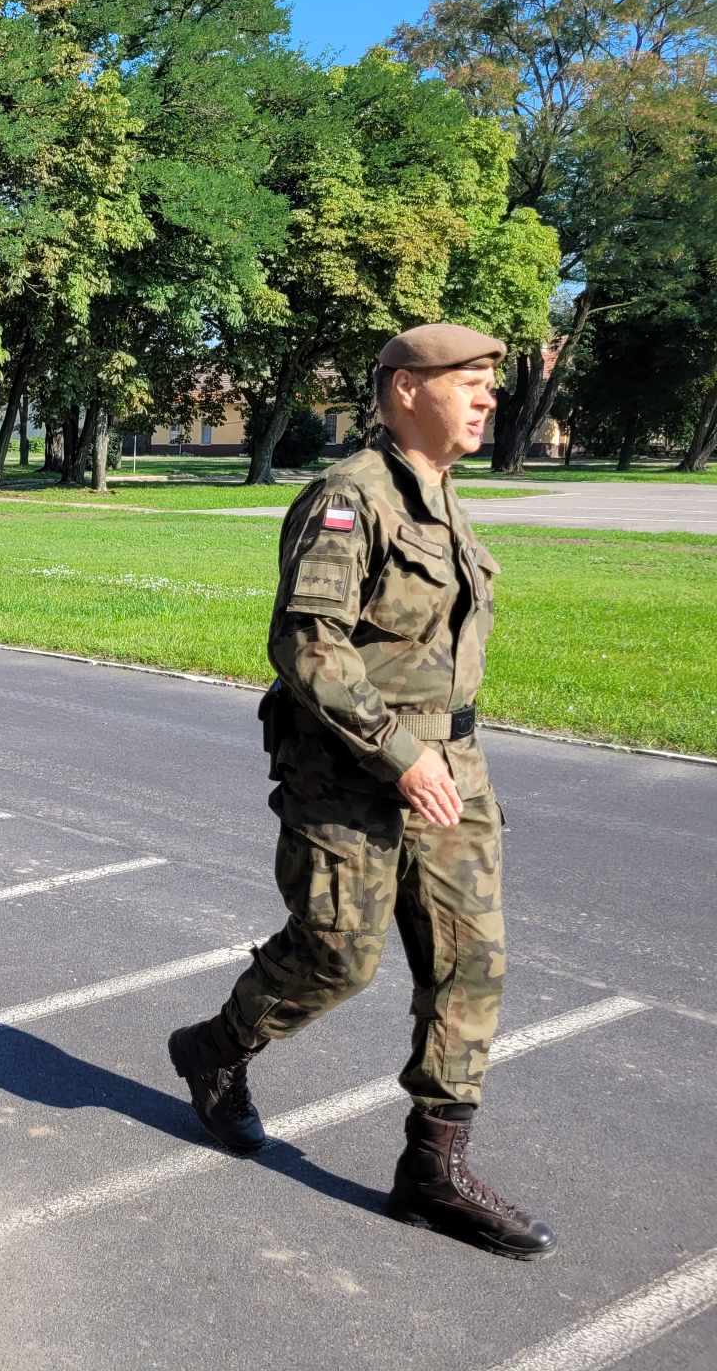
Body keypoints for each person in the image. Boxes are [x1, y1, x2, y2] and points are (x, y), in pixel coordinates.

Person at [167, 323, 552, 1261]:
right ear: (407, 386)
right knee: (338, 958)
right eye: (471, 381)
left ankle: (433, 1167)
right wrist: (397, 752)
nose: (488, 397)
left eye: (491, 384)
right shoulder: (350, 496)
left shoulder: (442, 496)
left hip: (452, 770)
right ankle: (216, 1050)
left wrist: (438, 758)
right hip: (351, 772)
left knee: (472, 963)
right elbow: (307, 644)